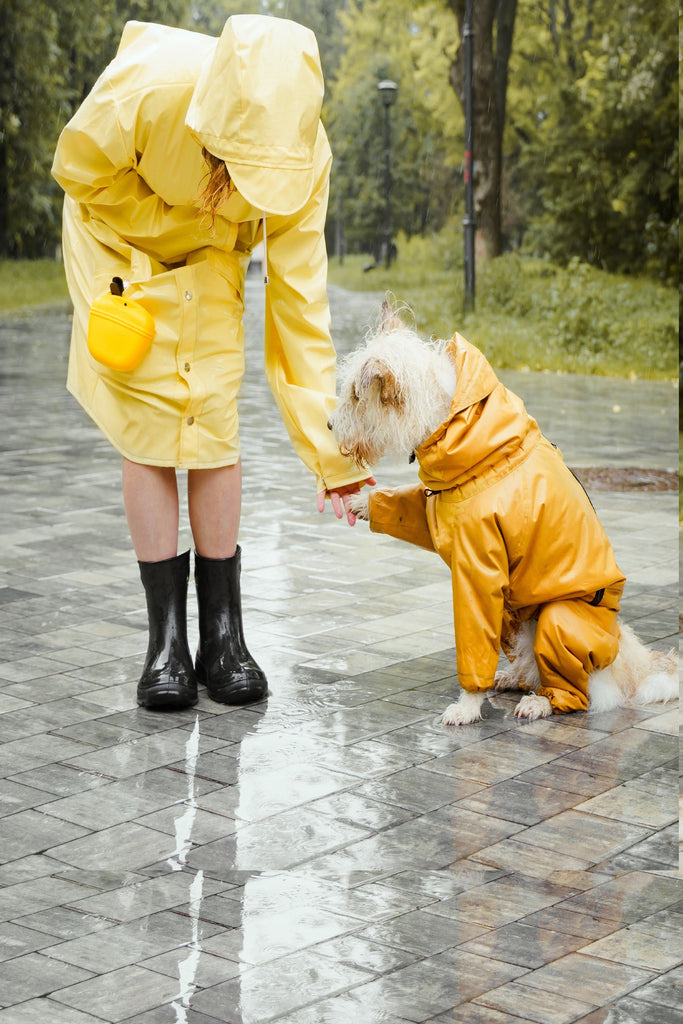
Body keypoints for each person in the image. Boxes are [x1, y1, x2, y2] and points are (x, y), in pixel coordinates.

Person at [51, 15, 373, 712]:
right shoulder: (148, 87)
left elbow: (298, 306)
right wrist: (177, 222)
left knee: (212, 418)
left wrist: (333, 454)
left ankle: (222, 639)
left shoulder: (305, 153)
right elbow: (77, 170)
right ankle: (164, 643)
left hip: (211, 255)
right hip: (119, 246)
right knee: (152, 421)